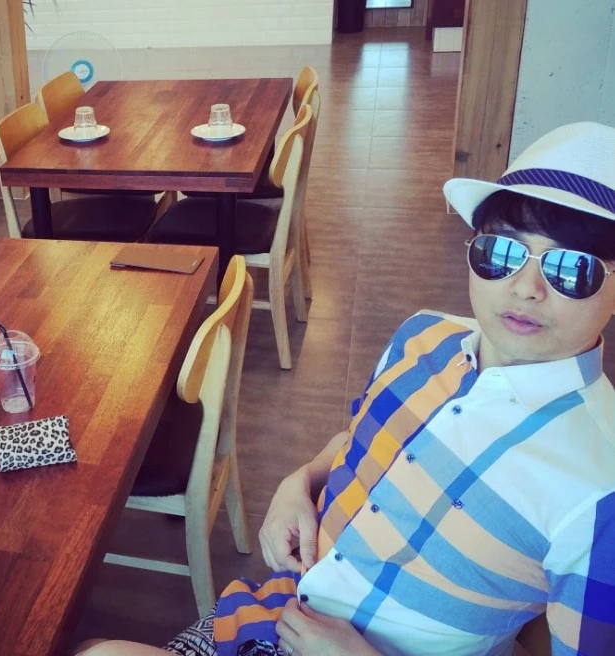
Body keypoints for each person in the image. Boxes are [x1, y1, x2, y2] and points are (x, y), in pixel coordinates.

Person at [77, 122, 615, 656]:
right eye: (502, 252)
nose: (526, 288)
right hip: (271, 615)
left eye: (574, 269)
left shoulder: (599, 492)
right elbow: (358, 441)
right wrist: (300, 481)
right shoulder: (422, 336)